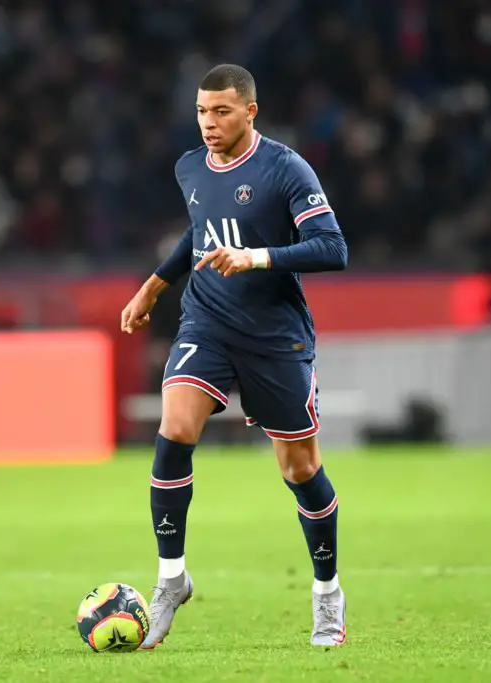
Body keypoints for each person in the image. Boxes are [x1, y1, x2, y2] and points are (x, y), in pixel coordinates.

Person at [120, 64, 349, 648]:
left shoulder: (286, 169)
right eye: (202, 111)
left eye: (221, 111)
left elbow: (333, 248)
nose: (209, 123)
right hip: (208, 321)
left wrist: (258, 256)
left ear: (250, 111)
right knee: (175, 428)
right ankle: (171, 579)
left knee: (300, 468)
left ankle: (327, 592)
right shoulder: (190, 167)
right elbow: (199, 231)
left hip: (275, 335)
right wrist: (154, 286)